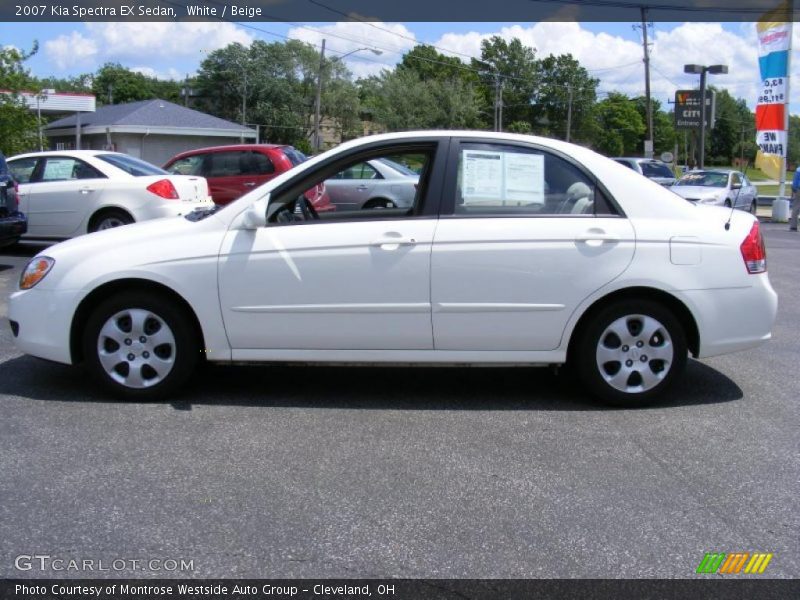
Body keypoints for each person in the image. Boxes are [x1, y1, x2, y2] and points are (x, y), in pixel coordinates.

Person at [791, 165, 800, 231]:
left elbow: (795, 182)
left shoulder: (798, 169)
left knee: (796, 208)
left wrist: (794, 189)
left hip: (798, 189)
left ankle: (793, 226)